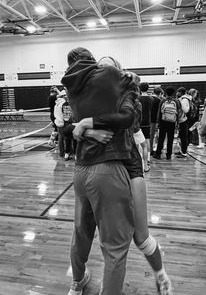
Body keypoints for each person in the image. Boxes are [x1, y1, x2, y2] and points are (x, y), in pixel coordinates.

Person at [72, 56, 173, 295]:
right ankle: (80, 282)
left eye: (109, 67)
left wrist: (90, 123)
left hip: (129, 167)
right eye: (100, 67)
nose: (103, 71)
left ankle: (161, 275)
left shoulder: (128, 94)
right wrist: (89, 130)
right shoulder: (94, 97)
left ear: (117, 72)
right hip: (100, 171)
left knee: (141, 237)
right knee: (85, 232)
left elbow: (128, 120)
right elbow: (71, 128)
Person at [61, 47, 136, 295]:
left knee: (81, 233)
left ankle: (77, 282)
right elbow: (128, 117)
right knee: (115, 246)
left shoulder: (72, 88)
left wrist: (86, 127)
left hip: (81, 171)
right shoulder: (113, 79)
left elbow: (66, 126)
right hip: (109, 169)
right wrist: (131, 83)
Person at [153, 87, 180, 160]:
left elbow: (159, 112)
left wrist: (158, 122)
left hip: (163, 121)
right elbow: (178, 113)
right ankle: (169, 155)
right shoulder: (176, 101)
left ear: (166, 93)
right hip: (172, 122)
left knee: (161, 138)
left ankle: (158, 154)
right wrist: (177, 123)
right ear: (173, 93)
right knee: (170, 139)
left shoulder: (162, 101)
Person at [139, 82, 153, 170]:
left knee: (138, 141)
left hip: (138, 121)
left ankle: (140, 160)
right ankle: (148, 158)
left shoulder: (137, 98)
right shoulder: (151, 99)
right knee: (147, 139)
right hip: (147, 121)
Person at [175, 87, 191, 158]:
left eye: (178, 92)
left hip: (184, 120)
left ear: (181, 92)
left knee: (183, 136)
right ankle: (182, 150)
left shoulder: (184, 99)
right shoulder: (184, 99)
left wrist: (180, 103)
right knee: (181, 136)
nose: (177, 93)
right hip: (183, 119)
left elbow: (186, 110)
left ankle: (184, 152)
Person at [150, 86, 163, 155]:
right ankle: (151, 149)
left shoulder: (150, 98)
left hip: (148, 119)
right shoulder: (159, 100)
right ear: (160, 93)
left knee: (150, 135)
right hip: (155, 120)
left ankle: (150, 148)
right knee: (152, 135)